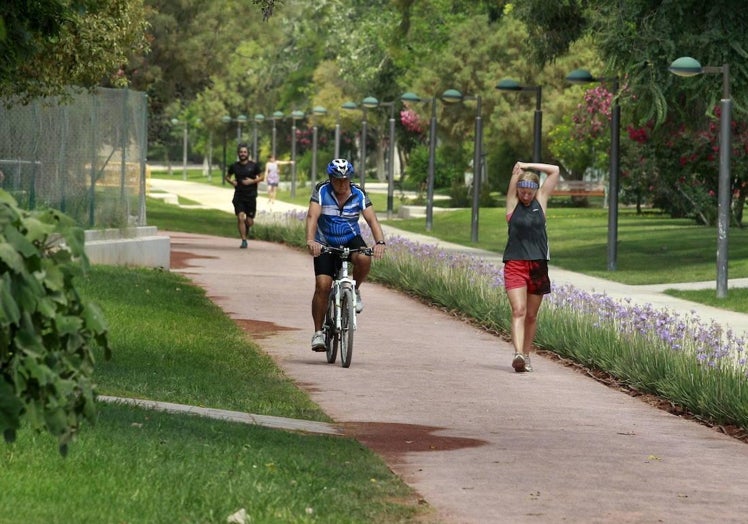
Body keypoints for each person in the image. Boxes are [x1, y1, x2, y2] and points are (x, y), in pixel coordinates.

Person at [305, 158, 386, 351]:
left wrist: (380, 242)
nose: (342, 184)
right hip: (324, 241)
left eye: (345, 179)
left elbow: (372, 220)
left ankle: (355, 290)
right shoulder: (322, 191)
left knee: (365, 257)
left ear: (350, 178)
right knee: (323, 286)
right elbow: (312, 217)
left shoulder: (358, 193)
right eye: (337, 180)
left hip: (350, 238)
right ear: (330, 179)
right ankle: (318, 333)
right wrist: (311, 240)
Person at [502, 161, 560, 372]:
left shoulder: (541, 200)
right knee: (519, 310)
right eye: (522, 192)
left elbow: (554, 171)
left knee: (532, 315)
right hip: (515, 264)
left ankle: (526, 355)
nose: (525, 196)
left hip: (538, 265)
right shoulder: (512, 203)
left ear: (535, 191)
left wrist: (528, 164)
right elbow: (514, 179)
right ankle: (517, 354)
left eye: (529, 193)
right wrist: (518, 172)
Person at [224, 143, 263, 249]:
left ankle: (246, 227)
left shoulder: (253, 166)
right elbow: (227, 176)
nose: (243, 154)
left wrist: (252, 181)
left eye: (244, 152)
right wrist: (232, 182)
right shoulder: (234, 166)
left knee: (249, 222)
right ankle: (244, 240)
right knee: (240, 217)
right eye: (241, 152)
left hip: (251, 196)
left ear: (248, 153)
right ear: (238, 153)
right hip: (239, 196)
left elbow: (262, 177)